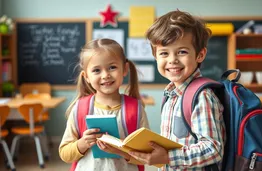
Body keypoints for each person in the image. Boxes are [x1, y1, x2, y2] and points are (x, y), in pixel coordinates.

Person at [128, 10, 226, 171]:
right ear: (156, 56)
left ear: (200, 55)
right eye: (164, 53)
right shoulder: (171, 95)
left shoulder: (202, 96)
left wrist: (168, 157)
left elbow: (212, 149)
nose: (172, 60)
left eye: (182, 52)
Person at [59, 38, 149, 171]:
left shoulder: (136, 110)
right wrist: (83, 143)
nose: (105, 75)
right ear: (86, 77)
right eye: (96, 70)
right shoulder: (79, 109)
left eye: (112, 67)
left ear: (124, 69)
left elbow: (147, 156)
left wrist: (120, 151)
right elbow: (65, 154)